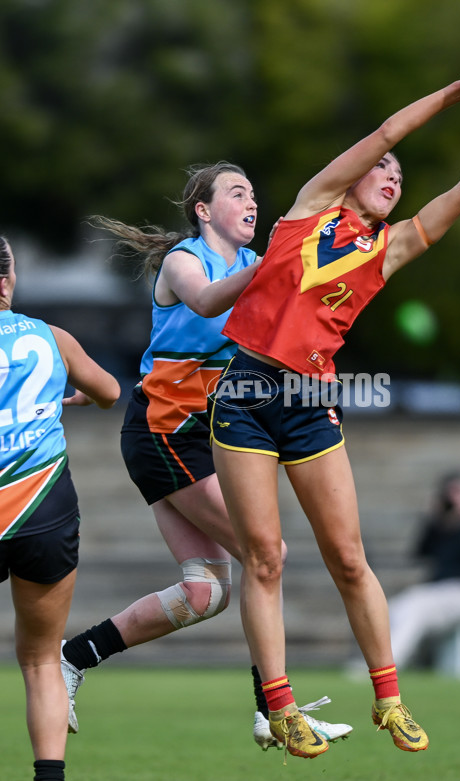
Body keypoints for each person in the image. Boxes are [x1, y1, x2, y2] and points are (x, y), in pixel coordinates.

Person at [210, 68, 460, 759]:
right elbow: (387, 130)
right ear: (352, 175)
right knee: (263, 558)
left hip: (308, 404)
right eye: (380, 169)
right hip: (243, 391)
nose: (391, 173)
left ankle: (389, 698)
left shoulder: (387, 252)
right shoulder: (308, 207)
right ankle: (282, 707)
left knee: (350, 558)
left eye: (399, 175)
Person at [59, 162, 351, 750]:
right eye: (237, 192)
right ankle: (274, 710)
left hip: (210, 437)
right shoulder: (185, 261)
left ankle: (75, 655)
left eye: (253, 191)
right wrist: (279, 263)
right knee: (265, 552)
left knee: (206, 593)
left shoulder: (252, 266)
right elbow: (209, 302)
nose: (252, 201)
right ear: (203, 210)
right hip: (163, 433)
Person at [0, 236, 120, 781]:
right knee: (42, 657)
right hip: (42, 508)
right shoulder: (51, 337)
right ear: (9, 280)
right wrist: (84, 396)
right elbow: (111, 391)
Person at [387, 471, 460, 669]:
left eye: (459, 492)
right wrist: (433, 519)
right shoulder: (439, 524)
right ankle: (382, 663)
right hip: (438, 591)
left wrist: (459, 520)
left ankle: (386, 668)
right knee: (392, 608)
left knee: (416, 608)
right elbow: (420, 551)